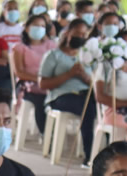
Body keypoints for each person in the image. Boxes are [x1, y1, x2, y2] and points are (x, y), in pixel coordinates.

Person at [39, 18, 97, 164]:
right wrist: (69, 74)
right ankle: (90, 155)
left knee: (98, 106)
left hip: (85, 94)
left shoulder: (86, 57)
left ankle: (101, 152)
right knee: (87, 107)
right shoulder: (54, 55)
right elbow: (43, 83)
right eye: (78, 33)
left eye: (84, 35)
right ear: (67, 33)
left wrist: (84, 76)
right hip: (61, 96)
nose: (81, 37)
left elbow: (94, 83)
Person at [13, 12, 58, 135]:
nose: (39, 29)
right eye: (36, 26)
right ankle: (47, 135)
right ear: (27, 28)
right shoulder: (19, 48)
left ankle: (54, 132)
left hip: (49, 85)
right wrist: (39, 80)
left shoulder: (51, 46)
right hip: (27, 86)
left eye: (42, 26)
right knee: (40, 101)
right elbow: (20, 73)